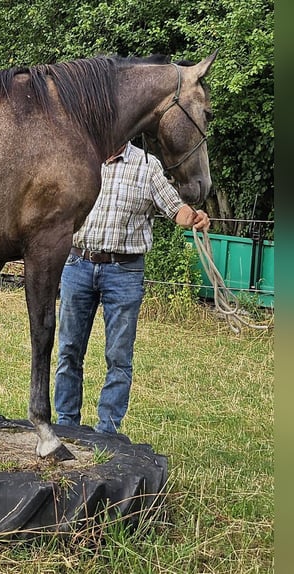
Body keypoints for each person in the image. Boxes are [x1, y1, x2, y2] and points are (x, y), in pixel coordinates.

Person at [53, 140, 210, 434]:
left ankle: (108, 431)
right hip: (78, 264)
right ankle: (65, 425)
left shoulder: (147, 165)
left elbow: (174, 208)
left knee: (118, 356)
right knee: (69, 350)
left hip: (123, 271)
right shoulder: (83, 155)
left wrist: (194, 217)